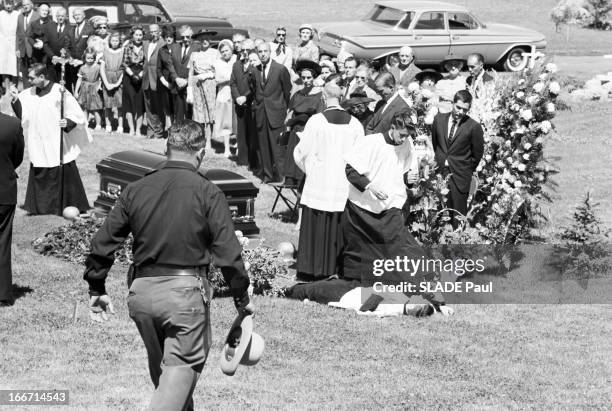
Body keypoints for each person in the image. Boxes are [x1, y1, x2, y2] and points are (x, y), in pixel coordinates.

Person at [83, 119, 252, 411]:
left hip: (141, 296)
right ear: (201, 154)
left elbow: (103, 242)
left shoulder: (135, 189)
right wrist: (242, 297)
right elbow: (228, 252)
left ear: (166, 148)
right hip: (185, 298)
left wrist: (96, 286)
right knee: (179, 374)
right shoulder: (208, 191)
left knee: (169, 382)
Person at [293, 81, 364, 281]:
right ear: (341, 98)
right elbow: (359, 158)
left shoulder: (316, 121)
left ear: (324, 97)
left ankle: (311, 269)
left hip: (319, 183)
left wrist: (312, 170)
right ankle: (335, 268)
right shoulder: (355, 124)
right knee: (336, 227)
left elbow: (301, 152)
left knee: (316, 224)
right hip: (342, 185)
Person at [342, 110, 419, 282]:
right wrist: (371, 186)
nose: (404, 139)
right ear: (392, 128)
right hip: (361, 205)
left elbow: (403, 173)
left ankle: (402, 280)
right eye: (402, 135)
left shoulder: (407, 145)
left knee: (397, 244)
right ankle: (352, 284)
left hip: (390, 206)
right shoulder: (371, 142)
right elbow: (350, 170)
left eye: (407, 136)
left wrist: (410, 178)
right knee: (358, 247)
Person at [9, 63, 90, 215]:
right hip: (38, 138)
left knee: (62, 166)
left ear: (42, 77)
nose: (29, 80)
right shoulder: (29, 93)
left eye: (32, 77)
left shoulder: (60, 92)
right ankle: (41, 207)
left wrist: (68, 122)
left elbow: (76, 114)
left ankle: (66, 204)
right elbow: (23, 116)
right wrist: (15, 100)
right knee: (40, 164)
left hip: (56, 139)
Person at [431, 90, 484, 218]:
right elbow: (435, 143)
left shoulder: (474, 127)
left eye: (464, 110)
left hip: (459, 177)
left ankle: (457, 237)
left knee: (457, 216)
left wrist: (464, 169)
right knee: (438, 212)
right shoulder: (439, 120)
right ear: (452, 103)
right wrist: (441, 159)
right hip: (440, 172)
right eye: (458, 107)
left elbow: (477, 155)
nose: (460, 112)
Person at [251, 41, 292, 183]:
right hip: (261, 114)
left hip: (277, 114)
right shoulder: (255, 70)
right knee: (264, 147)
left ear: (270, 52)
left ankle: (281, 176)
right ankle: (267, 175)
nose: (262, 54)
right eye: (260, 52)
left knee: (278, 147)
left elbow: (287, 91)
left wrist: (286, 111)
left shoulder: (280, 69)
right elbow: (254, 90)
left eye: (265, 51)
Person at [282, 59, 324, 188]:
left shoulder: (320, 95)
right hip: (295, 131)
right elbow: (288, 116)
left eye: (309, 77)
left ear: (314, 78)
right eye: (303, 77)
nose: (306, 80)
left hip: (309, 133)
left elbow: (320, 118)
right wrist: (290, 124)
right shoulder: (297, 95)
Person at [0, 84, 24, 307]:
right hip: (4, 189)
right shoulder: (12, 125)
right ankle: (3, 292)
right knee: (2, 241)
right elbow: (17, 157)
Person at [160, 25, 201, 123]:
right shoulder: (174, 47)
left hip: (190, 86)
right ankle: (179, 136)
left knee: (190, 114)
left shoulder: (197, 48)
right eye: (183, 37)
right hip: (177, 86)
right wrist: (176, 79)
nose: (185, 39)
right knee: (178, 114)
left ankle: (190, 136)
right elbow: (170, 65)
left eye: (187, 37)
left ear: (191, 35)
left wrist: (187, 81)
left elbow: (197, 68)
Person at [230, 38, 256, 169]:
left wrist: (246, 97)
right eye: (243, 49)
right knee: (241, 132)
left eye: (248, 50)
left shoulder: (256, 65)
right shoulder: (236, 65)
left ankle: (253, 160)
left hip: (251, 103)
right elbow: (233, 83)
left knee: (252, 132)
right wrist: (237, 97)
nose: (245, 52)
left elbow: (256, 86)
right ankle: (242, 159)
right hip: (239, 104)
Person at [186, 30, 215, 142]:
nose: (204, 41)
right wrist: (189, 89)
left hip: (210, 84)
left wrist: (208, 75)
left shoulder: (215, 53)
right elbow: (191, 72)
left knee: (209, 112)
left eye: (207, 38)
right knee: (198, 112)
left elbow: (219, 70)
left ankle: (209, 141)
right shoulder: (194, 53)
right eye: (202, 39)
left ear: (210, 40)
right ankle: (200, 138)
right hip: (196, 84)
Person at [213, 39, 236, 157]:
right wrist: (228, 80)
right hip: (224, 94)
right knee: (226, 123)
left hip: (236, 95)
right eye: (222, 51)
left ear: (231, 50)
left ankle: (239, 147)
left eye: (227, 50)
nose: (225, 53)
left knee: (237, 123)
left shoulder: (237, 59)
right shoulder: (218, 63)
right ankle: (227, 149)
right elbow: (217, 81)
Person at [142, 24, 165, 138]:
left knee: (159, 107)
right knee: (149, 107)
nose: (153, 33)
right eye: (151, 32)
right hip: (146, 79)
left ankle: (159, 131)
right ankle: (150, 130)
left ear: (160, 32)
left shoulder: (163, 44)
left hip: (157, 79)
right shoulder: (146, 43)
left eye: (155, 31)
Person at [122, 25, 146, 136]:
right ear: (132, 35)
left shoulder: (146, 46)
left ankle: (138, 129)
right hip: (129, 74)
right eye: (136, 34)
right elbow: (124, 63)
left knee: (140, 103)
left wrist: (140, 75)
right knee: (129, 103)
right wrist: (132, 75)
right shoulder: (128, 47)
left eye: (140, 35)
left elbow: (147, 63)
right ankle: (131, 128)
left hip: (142, 73)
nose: (138, 37)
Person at [100, 31, 124, 133]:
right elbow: (102, 68)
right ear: (110, 41)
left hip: (118, 78)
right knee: (107, 104)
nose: (115, 42)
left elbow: (124, 68)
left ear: (119, 42)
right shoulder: (105, 52)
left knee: (120, 104)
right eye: (113, 40)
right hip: (107, 78)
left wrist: (118, 83)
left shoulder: (122, 51)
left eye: (117, 41)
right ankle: (108, 125)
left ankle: (120, 126)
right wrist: (106, 83)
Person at [66, 8, 94, 93]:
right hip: (73, 65)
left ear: (84, 16)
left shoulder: (90, 30)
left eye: (79, 14)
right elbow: (66, 46)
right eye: (75, 15)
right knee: (76, 87)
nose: (77, 17)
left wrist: (82, 61)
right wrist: (69, 57)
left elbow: (91, 48)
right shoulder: (71, 30)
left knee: (85, 88)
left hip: (85, 64)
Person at [74, 48, 103, 130]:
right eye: (88, 58)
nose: (90, 60)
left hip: (95, 88)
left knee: (96, 108)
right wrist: (76, 91)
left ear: (94, 58)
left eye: (92, 58)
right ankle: (85, 123)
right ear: (84, 58)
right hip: (84, 89)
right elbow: (79, 80)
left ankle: (98, 124)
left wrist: (100, 85)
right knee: (84, 107)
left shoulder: (98, 67)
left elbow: (101, 77)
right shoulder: (82, 68)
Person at [45, 7, 72, 82]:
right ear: (56, 16)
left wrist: (64, 55)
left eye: (62, 16)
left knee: (65, 84)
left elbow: (70, 44)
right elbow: (45, 43)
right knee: (52, 83)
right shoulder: (49, 26)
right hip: (51, 61)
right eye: (59, 16)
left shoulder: (71, 28)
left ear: (66, 17)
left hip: (65, 62)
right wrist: (53, 56)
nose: (60, 18)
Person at [157, 25, 176, 128]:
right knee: (168, 107)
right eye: (166, 36)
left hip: (177, 83)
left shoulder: (178, 48)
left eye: (171, 36)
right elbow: (158, 69)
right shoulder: (161, 50)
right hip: (165, 83)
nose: (169, 38)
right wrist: (165, 83)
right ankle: (169, 131)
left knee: (176, 107)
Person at [17, 0, 39, 88]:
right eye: (23, 5)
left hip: (34, 49)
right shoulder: (20, 16)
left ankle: (36, 92)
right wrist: (17, 48)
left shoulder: (37, 15)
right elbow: (17, 33)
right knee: (25, 74)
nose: (25, 6)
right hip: (23, 50)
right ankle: (26, 92)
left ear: (32, 5)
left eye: (27, 4)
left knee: (35, 73)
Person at [0, 0, 20, 89]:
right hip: (3, 44)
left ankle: (14, 89)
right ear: (3, 4)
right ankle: (7, 89)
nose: (8, 6)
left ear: (13, 4)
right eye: (6, 4)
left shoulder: (17, 14)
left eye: (10, 4)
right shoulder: (0, 14)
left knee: (15, 67)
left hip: (14, 43)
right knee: (4, 67)